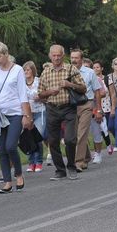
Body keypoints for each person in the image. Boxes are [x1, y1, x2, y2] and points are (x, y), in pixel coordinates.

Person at [0, 42, 33, 193]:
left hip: (15, 113)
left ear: (6, 54)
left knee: (10, 146)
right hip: (0, 115)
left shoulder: (18, 70)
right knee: (2, 150)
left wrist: (26, 115)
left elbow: (22, 94)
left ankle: (19, 174)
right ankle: (7, 181)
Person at [38, 44, 87, 180]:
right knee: (52, 141)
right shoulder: (45, 72)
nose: (56, 58)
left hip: (68, 108)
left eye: (59, 55)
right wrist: (50, 92)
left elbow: (83, 89)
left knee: (70, 140)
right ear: (50, 56)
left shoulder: (70, 68)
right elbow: (40, 94)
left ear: (63, 55)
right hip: (52, 108)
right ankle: (60, 170)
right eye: (54, 55)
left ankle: (71, 166)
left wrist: (69, 84)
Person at [70, 49, 103, 168]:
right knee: (74, 134)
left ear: (81, 59)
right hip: (72, 105)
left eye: (76, 58)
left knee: (82, 133)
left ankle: (78, 162)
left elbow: (97, 91)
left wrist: (98, 109)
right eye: (72, 57)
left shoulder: (90, 72)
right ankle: (87, 156)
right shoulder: (67, 71)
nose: (73, 60)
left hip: (87, 104)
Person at [23, 61, 46, 172]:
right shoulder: (21, 84)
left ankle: (38, 161)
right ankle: (31, 162)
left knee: (38, 136)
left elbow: (46, 97)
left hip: (40, 112)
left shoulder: (39, 81)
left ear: (33, 70)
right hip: (28, 113)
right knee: (28, 137)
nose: (26, 72)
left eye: (28, 69)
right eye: (24, 70)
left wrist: (41, 98)